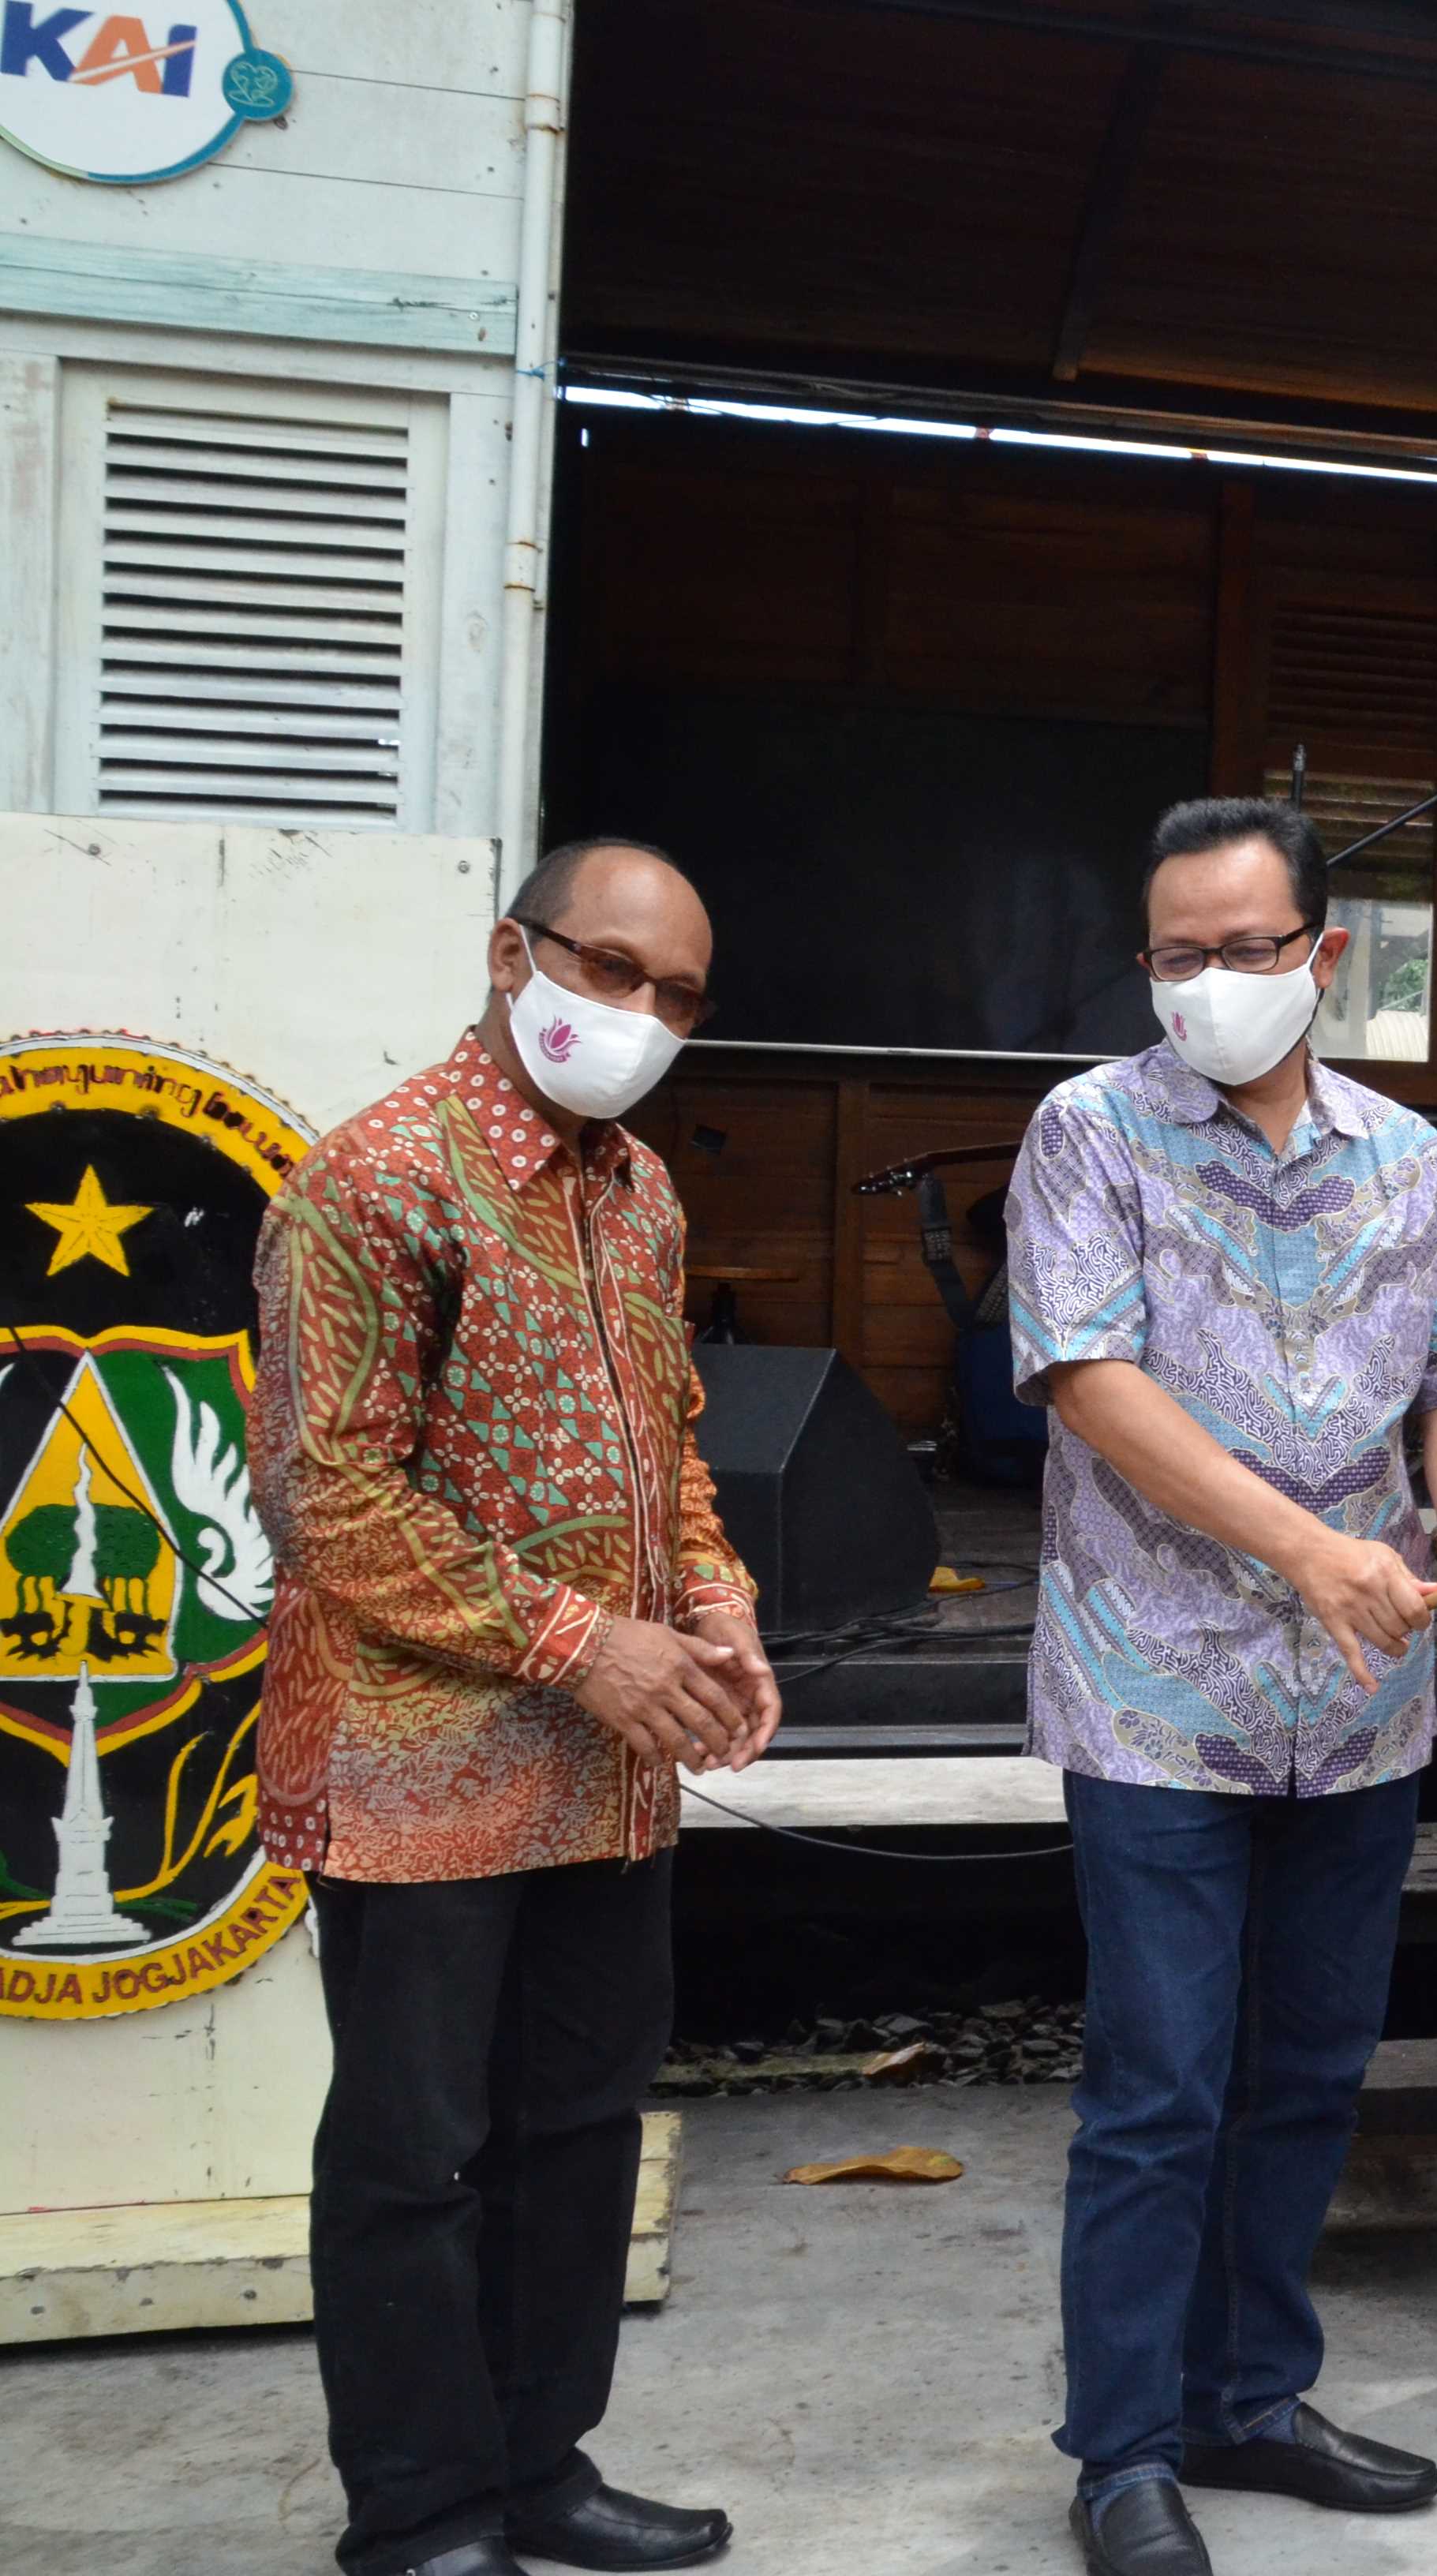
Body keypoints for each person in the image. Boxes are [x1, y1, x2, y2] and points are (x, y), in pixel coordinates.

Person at [1005, 797, 1437, 2576]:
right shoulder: (1087, 1134)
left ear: (1323, 954)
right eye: (1178, 953)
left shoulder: (1405, 1155)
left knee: (1310, 2070)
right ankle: (1124, 2452)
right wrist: (1311, 1553)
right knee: (1161, 2083)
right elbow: (1090, 1380)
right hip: (1156, 1692)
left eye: (1248, 949)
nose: (1213, 983)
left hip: (1367, 1701)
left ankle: (1249, 2398)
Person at [254, 838, 773, 2576]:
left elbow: (669, 1443)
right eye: (611, 970)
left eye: (677, 996)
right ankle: (417, 2514)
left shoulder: (639, 1191)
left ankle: (540, 2465)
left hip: (609, 1767)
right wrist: (583, 1645)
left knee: (577, 2131)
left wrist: (714, 1607)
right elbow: (330, 1502)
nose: (637, 1016)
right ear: (512, 950)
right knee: (415, 2154)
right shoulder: (376, 1183)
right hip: (413, 1769)